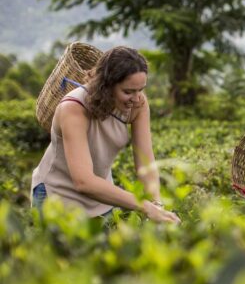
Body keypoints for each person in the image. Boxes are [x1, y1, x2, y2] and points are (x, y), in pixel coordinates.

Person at [30, 46, 180, 223]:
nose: (137, 97)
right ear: (106, 86)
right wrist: (144, 206)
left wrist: (157, 204)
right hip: (57, 196)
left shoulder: (137, 104)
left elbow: (145, 163)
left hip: (101, 197)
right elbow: (83, 181)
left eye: (141, 89)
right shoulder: (73, 108)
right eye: (128, 91)